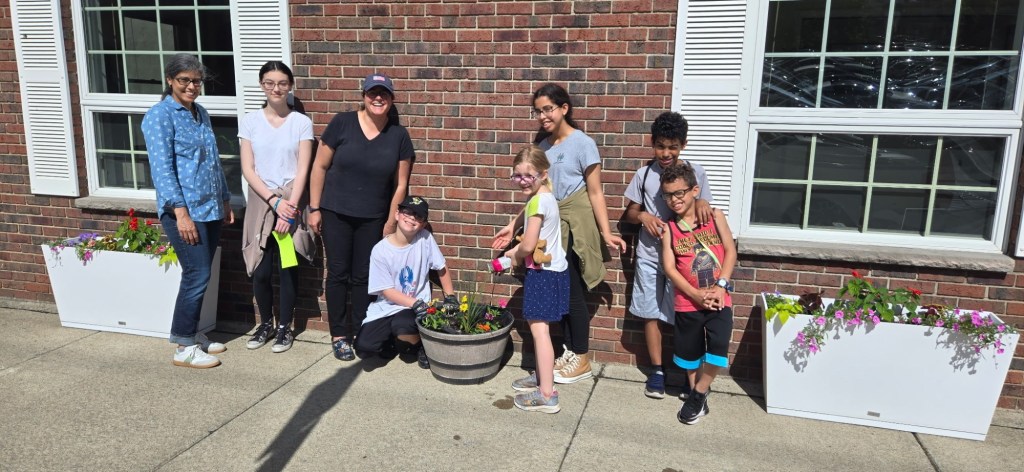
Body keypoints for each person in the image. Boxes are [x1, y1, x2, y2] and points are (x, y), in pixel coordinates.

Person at [493, 83, 626, 385]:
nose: (542, 116)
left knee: (574, 292)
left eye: (547, 109)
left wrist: (606, 232)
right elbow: (536, 194)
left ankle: (580, 356)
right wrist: (513, 226)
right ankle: (567, 352)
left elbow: (595, 192)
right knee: (560, 292)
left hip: (575, 224)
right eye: (538, 111)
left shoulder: (583, 144)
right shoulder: (543, 145)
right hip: (551, 227)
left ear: (564, 108)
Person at [308, 73, 414, 362]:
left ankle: (361, 332)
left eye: (384, 94)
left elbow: (401, 184)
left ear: (391, 100)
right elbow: (319, 166)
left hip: (373, 218)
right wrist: (314, 208)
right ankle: (339, 335)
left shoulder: (398, 136)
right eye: (372, 93)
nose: (378, 98)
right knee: (339, 274)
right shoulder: (342, 123)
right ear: (364, 96)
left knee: (365, 277)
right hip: (336, 212)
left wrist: (391, 219)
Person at [142, 53, 234, 368]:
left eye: (196, 81)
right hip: (184, 211)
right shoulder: (160, 116)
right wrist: (180, 213)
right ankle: (183, 345)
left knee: (200, 275)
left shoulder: (200, 113)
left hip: (209, 207)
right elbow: (162, 171)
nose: (192, 86)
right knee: (197, 274)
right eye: (185, 80)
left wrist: (224, 198)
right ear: (170, 80)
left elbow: (212, 160)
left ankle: (192, 333)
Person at [622, 112, 713, 399]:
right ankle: (657, 371)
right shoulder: (644, 174)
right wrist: (644, 216)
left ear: (683, 145)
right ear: (652, 144)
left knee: (686, 315)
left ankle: (688, 375)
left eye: (672, 147)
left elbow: (705, 210)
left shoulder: (696, 173)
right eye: (661, 146)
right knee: (650, 313)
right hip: (650, 254)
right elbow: (629, 214)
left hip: (685, 257)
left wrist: (699, 205)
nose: (666, 153)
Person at [239, 61, 316, 353]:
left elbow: (303, 169)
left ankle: (285, 326)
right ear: (261, 85)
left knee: (287, 267)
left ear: (290, 86)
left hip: (291, 205)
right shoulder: (250, 122)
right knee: (260, 269)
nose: (276, 88)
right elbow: (248, 168)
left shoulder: (301, 123)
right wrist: (274, 202)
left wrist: (290, 208)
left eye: (282, 83)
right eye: (270, 82)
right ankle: (266, 324)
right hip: (261, 204)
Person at [659, 163, 737, 425]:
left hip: (718, 298)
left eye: (679, 193)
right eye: (668, 195)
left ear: (695, 190)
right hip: (687, 301)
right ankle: (696, 392)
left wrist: (721, 286)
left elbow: (730, 251)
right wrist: (694, 293)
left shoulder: (715, 216)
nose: (674, 200)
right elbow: (670, 267)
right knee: (689, 354)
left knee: (717, 347)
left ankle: (699, 394)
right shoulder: (669, 228)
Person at [505, 145, 569, 414]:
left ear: (543, 174)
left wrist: (513, 254)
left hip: (543, 274)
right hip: (555, 272)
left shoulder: (537, 202)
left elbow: (529, 244)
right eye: (517, 176)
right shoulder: (547, 197)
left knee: (539, 332)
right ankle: (543, 376)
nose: (522, 181)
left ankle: (547, 394)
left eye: (528, 176)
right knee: (541, 329)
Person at [357, 195, 455, 369]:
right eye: (407, 212)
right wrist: (414, 302)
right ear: (397, 214)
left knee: (403, 327)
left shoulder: (424, 239)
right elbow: (387, 291)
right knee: (364, 348)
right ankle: (392, 343)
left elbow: (441, 267)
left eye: (418, 216)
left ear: (423, 224)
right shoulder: (380, 251)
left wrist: (450, 296)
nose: (411, 218)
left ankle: (422, 347)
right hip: (388, 306)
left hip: (415, 308)